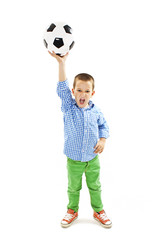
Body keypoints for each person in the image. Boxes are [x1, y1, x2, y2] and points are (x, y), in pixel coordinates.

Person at [48, 50, 112, 228]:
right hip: (74, 159)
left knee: (95, 186)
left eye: (87, 91)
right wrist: (61, 63)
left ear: (92, 93)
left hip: (92, 159)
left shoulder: (96, 111)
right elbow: (61, 87)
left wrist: (103, 140)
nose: (82, 94)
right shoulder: (69, 107)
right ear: (73, 91)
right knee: (73, 188)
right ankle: (72, 210)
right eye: (79, 90)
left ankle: (98, 210)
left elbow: (104, 126)